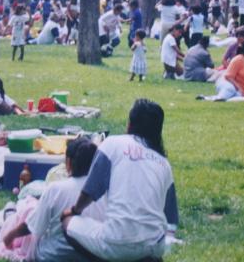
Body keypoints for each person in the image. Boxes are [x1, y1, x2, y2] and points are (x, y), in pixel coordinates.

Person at [61, 99, 178, 262]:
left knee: (67, 222)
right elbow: (171, 218)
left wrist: (74, 211)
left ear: (130, 124)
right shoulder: (164, 164)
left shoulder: (112, 144)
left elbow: (91, 191)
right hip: (153, 246)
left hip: (117, 243)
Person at [2, 138, 106, 261]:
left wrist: (10, 235)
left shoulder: (56, 189)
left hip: (54, 256)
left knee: (29, 213)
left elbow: (33, 227)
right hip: (94, 256)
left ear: (68, 162)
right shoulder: (105, 190)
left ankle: (8, 218)